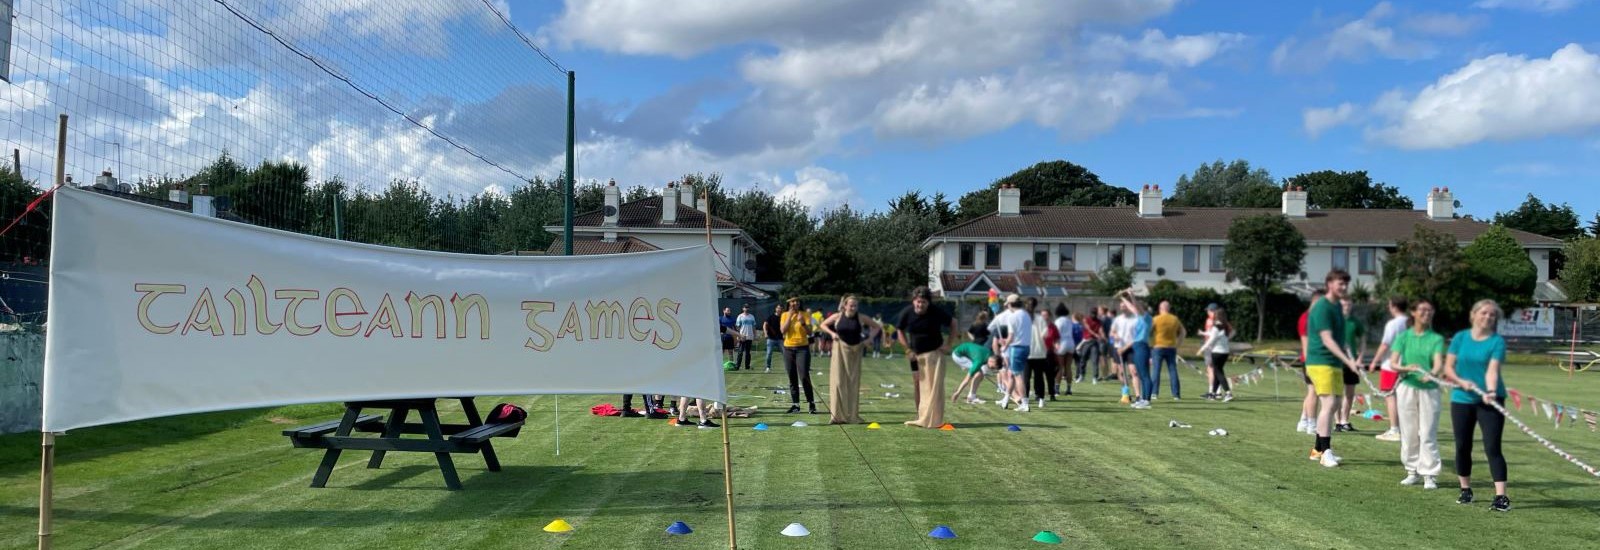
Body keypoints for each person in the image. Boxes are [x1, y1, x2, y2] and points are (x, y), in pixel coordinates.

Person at [1442, 299, 1512, 512]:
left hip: (1490, 399)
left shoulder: (1496, 342)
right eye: (1484, 313)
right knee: (1463, 446)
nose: (1488, 317)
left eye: (1492, 315)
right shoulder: (1461, 338)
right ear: (1474, 315)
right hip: (1462, 399)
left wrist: (1490, 392)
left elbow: (1492, 370)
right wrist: (1461, 381)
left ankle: (1501, 497)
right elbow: (1448, 367)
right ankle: (1465, 490)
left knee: (1492, 446)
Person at [1306, 270, 1362, 467]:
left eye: (1346, 284)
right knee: (1330, 404)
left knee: (1335, 404)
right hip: (1320, 361)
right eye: (1340, 283)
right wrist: (1348, 361)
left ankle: (1317, 449)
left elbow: (1341, 339)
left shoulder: (1337, 306)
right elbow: (1327, 339)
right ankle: (1326, 452)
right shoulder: (1322, 307)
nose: (1344, 287)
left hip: (1334, 363)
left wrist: (1351, 358)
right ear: (1329, 283)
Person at [1388, 299, 1444, 490]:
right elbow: (1393, 362)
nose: (1426, 314)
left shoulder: (1435, 339)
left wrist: (1432, 373)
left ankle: (1429, 474)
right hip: (1407, 387)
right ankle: (1412, 471)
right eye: (1422, 310)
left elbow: (1438, 363)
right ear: (1413, 313)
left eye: (1429, 310)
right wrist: (1405, 367)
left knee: (1427, 432)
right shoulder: (1403, 337)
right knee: (1409, 431)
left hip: (1429, 390)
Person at [898, 287, 958, 428]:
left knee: (933, 385)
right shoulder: (907, 313)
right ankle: (920, 414)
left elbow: (953, 323)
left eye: (923, 302)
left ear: (928, 303)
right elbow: (899, 329)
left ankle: (934, 417)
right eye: (918, 302)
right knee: (918, 383)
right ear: (914, 301)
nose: (920, 305)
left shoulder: (935, 312)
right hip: (916, 355)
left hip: (934, 354)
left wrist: (948, 344)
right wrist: (907, 349)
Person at [822, 295, 880, 424]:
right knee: (837, 382)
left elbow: (876, 327)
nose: (853, 307)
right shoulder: (837, 316)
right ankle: (836, 416)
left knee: (853, 383)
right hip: (839, 350)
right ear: (845, 306)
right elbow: (823, 324)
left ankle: (852, 416)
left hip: (855, 351)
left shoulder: (861, 317)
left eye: (855, 305)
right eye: (851, 305)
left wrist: (869, 340)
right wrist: (832, 334)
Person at [1368, 296, 1409, 442]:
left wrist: (1374, 362)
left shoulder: (1393, 324)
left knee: (1390, 396)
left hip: (1390, 365)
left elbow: (1385, 344)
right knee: (1403, 398)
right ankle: (1405, 429)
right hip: (1406, 364)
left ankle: (1394, 429)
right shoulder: (1411, 322)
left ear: (1393, 306)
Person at [991, 294, 1033, 411]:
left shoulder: (1012, 317)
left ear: (1010, 304)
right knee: (1012, 375)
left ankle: (1024, 403)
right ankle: (1006, 399)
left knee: (1017, 375)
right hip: (1025, 347)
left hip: (1017, 348)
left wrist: (1004, 345)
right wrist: (1006, 342)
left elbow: (1011, 336)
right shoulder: (1026, 315)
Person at [1296, 289, 1327, 435]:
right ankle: (1312, 424)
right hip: (1311, 360)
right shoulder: (1308, 318)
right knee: (1313, 392)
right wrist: (1309, 362)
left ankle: (1303, 421)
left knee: (1312, 391)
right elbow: (1305, 342)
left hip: (1315, 359)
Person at [780, 298, 817, 414]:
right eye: (792, 302)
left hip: (802, 349)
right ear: (788, 304)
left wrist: (803, 323)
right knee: (792, 376)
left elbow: (810, 332)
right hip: (788, 348)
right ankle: (795, 405)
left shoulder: (805, 314)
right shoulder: (785, 314)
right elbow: (783, 330)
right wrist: (790, 316)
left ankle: (811, 404)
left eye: (797, 301)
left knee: (804, 376)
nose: (795, 303)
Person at [1336, 297, 1367, 432]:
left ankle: (1345, 421)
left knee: (1349, 393)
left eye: (1349, 304)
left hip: (1352, 362)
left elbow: (1363, 339)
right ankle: (1337, 422)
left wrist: (1360, 357)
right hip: (1336, 361)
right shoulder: (1334, 321)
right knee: (1336, 393)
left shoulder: (1355, 322)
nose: (1346, 306)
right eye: (1344, 304)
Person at [1119, 292, 1154, 410]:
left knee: (1145, 375)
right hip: (1137, 347)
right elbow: (1132, 307)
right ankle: (1143, 399)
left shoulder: (1146, 317)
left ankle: (1147, 400)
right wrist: (1123, 298)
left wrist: (1131, 294)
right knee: (1140, 374)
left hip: (1142, 346)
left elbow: (1136, 306)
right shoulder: (1139, 317)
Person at [1025, 297, 1059, 408]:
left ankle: (1025, 399)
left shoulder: (1023, 318)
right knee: (1039, 376)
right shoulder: (1040, 319)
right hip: (1039, 352)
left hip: (1027, 351)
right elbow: (1045, 335)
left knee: (1026, 376)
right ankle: (1041, 398)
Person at [1197, 304, 1234, 402]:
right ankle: (1213, 393)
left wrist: (1202, 349)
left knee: (1219, 373)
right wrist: (1203, 333)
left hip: (1217, 352)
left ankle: (1228, 393)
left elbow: (1211, 339)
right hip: (1225, 353)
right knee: (1218, 371)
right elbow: (1212, 334)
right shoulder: (1224, 326)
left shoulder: (1216, 327)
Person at [1150, 300, 1186, 400]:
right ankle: (1176, 394)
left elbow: (1148, 331)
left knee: (1156, 370)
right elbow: (1183, 332)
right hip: (1171, 347)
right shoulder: (1174, 319)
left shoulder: (1156, 319)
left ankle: (1154, 393)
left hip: (1158, 347)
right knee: (1172, 370)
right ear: (1169, 309)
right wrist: (1178, 344)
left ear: (1160, 309)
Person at [950, 340, 996, 405]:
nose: (992, 369)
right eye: (993, 367)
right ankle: (971, 398)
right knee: (979, 373)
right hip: (958, 356)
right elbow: (967, 379)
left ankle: (971, 396)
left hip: (965, 352)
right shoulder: (979, 361)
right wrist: (958, 392)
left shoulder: (990, 355)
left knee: (980, 374)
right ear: (992, 361)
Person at [1054, 304, 1077, 396]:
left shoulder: (1058, 321)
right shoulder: (1069, 321)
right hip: (1070, 343)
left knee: (1060, 367)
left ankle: (1057, 389)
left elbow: (1057, 333)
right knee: (1068, 367)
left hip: (1061, 343)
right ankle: (1069, 389)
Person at [1077, 310, 1103, 384]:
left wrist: (1102, 336)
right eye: (1092, 314)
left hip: (1094, 342)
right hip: (1086, 341)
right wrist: (1096, 334)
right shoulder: (1086, 319)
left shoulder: (1099, 321)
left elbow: (1101, 330)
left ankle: (1095, 377)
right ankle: (1081, 376)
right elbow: (1088, 328)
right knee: (1083, 358)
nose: (1093, 316)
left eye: (1095, 314)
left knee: (1095, 360)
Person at [735, 304, 757, 370]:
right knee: (740, 352)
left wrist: (755, 335)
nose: (746, 309)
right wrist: (739, 335)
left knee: (748, 352)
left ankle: (747, 366)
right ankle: (737, 366)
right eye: (745, 307)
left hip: (749, 336)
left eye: (747, 307)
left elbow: (754, 327)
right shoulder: (740, 316)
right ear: (743, 308)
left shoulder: (752, 316)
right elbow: (737, 326)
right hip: (742, 337)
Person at [763, 304, 784, 373]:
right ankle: (768, 367)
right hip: (771, 338)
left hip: (780, 339)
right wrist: (765, 333)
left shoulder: (783, 317)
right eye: (778, 308)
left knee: (785, 353)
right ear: (776, 309)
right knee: (769, 353)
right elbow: (765, 325)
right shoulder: (771, 317)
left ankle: (789, 367)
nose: (779, 310)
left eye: (780, 308)